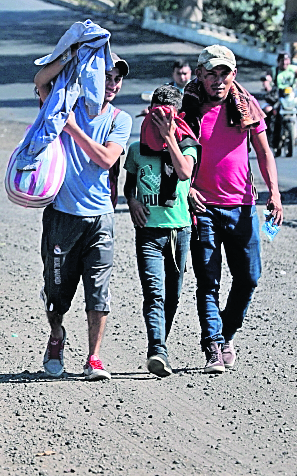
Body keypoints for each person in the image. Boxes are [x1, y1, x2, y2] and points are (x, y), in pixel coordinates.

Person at [182, 45, 283, 374]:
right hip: (203, 208)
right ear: (199, 75)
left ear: (233, 75)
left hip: (242, 207)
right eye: (211, 73)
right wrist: (188, 189)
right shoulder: (189, 110)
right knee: (208, 281)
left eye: (224, 73)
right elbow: (172, 158)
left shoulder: (246, 107)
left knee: (249, 277)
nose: (218, 80)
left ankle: (225, 335)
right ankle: (213, 345)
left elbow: (264, 152)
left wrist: (275, 194)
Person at [33, 52, 132, 380]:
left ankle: (93, 358)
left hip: (101, 218)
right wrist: (73, 55)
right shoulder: (65, 104)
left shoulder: (120, 119)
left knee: (98, 291)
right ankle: (57, 336)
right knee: (56, 292)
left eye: (117, 78)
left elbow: (106, 159)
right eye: (105, 76)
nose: (113, 84)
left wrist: (71, 127)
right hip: (63, 218)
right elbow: (41, 82)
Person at [124, 84, 199, 377]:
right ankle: (157, 350)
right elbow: (129, 184)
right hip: (148, 231)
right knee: (154, 294)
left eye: (168, 113)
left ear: (178, 114)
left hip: (179, 231)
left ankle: (160, 344)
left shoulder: (188, 144)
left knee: (173, 295)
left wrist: (170, 137)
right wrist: (131, 201)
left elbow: (184, 172)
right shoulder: (137, 149)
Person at [261, 51, 297, 145]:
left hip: (291, 97)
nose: (285, 63)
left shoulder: (294, 69)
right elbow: (267, 79)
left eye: (287, 60)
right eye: (282, 60)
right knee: (266, 111)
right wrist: (267, 86)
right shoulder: (274, 70)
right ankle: (267, 135)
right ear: (278, 61)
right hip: (276, 98)